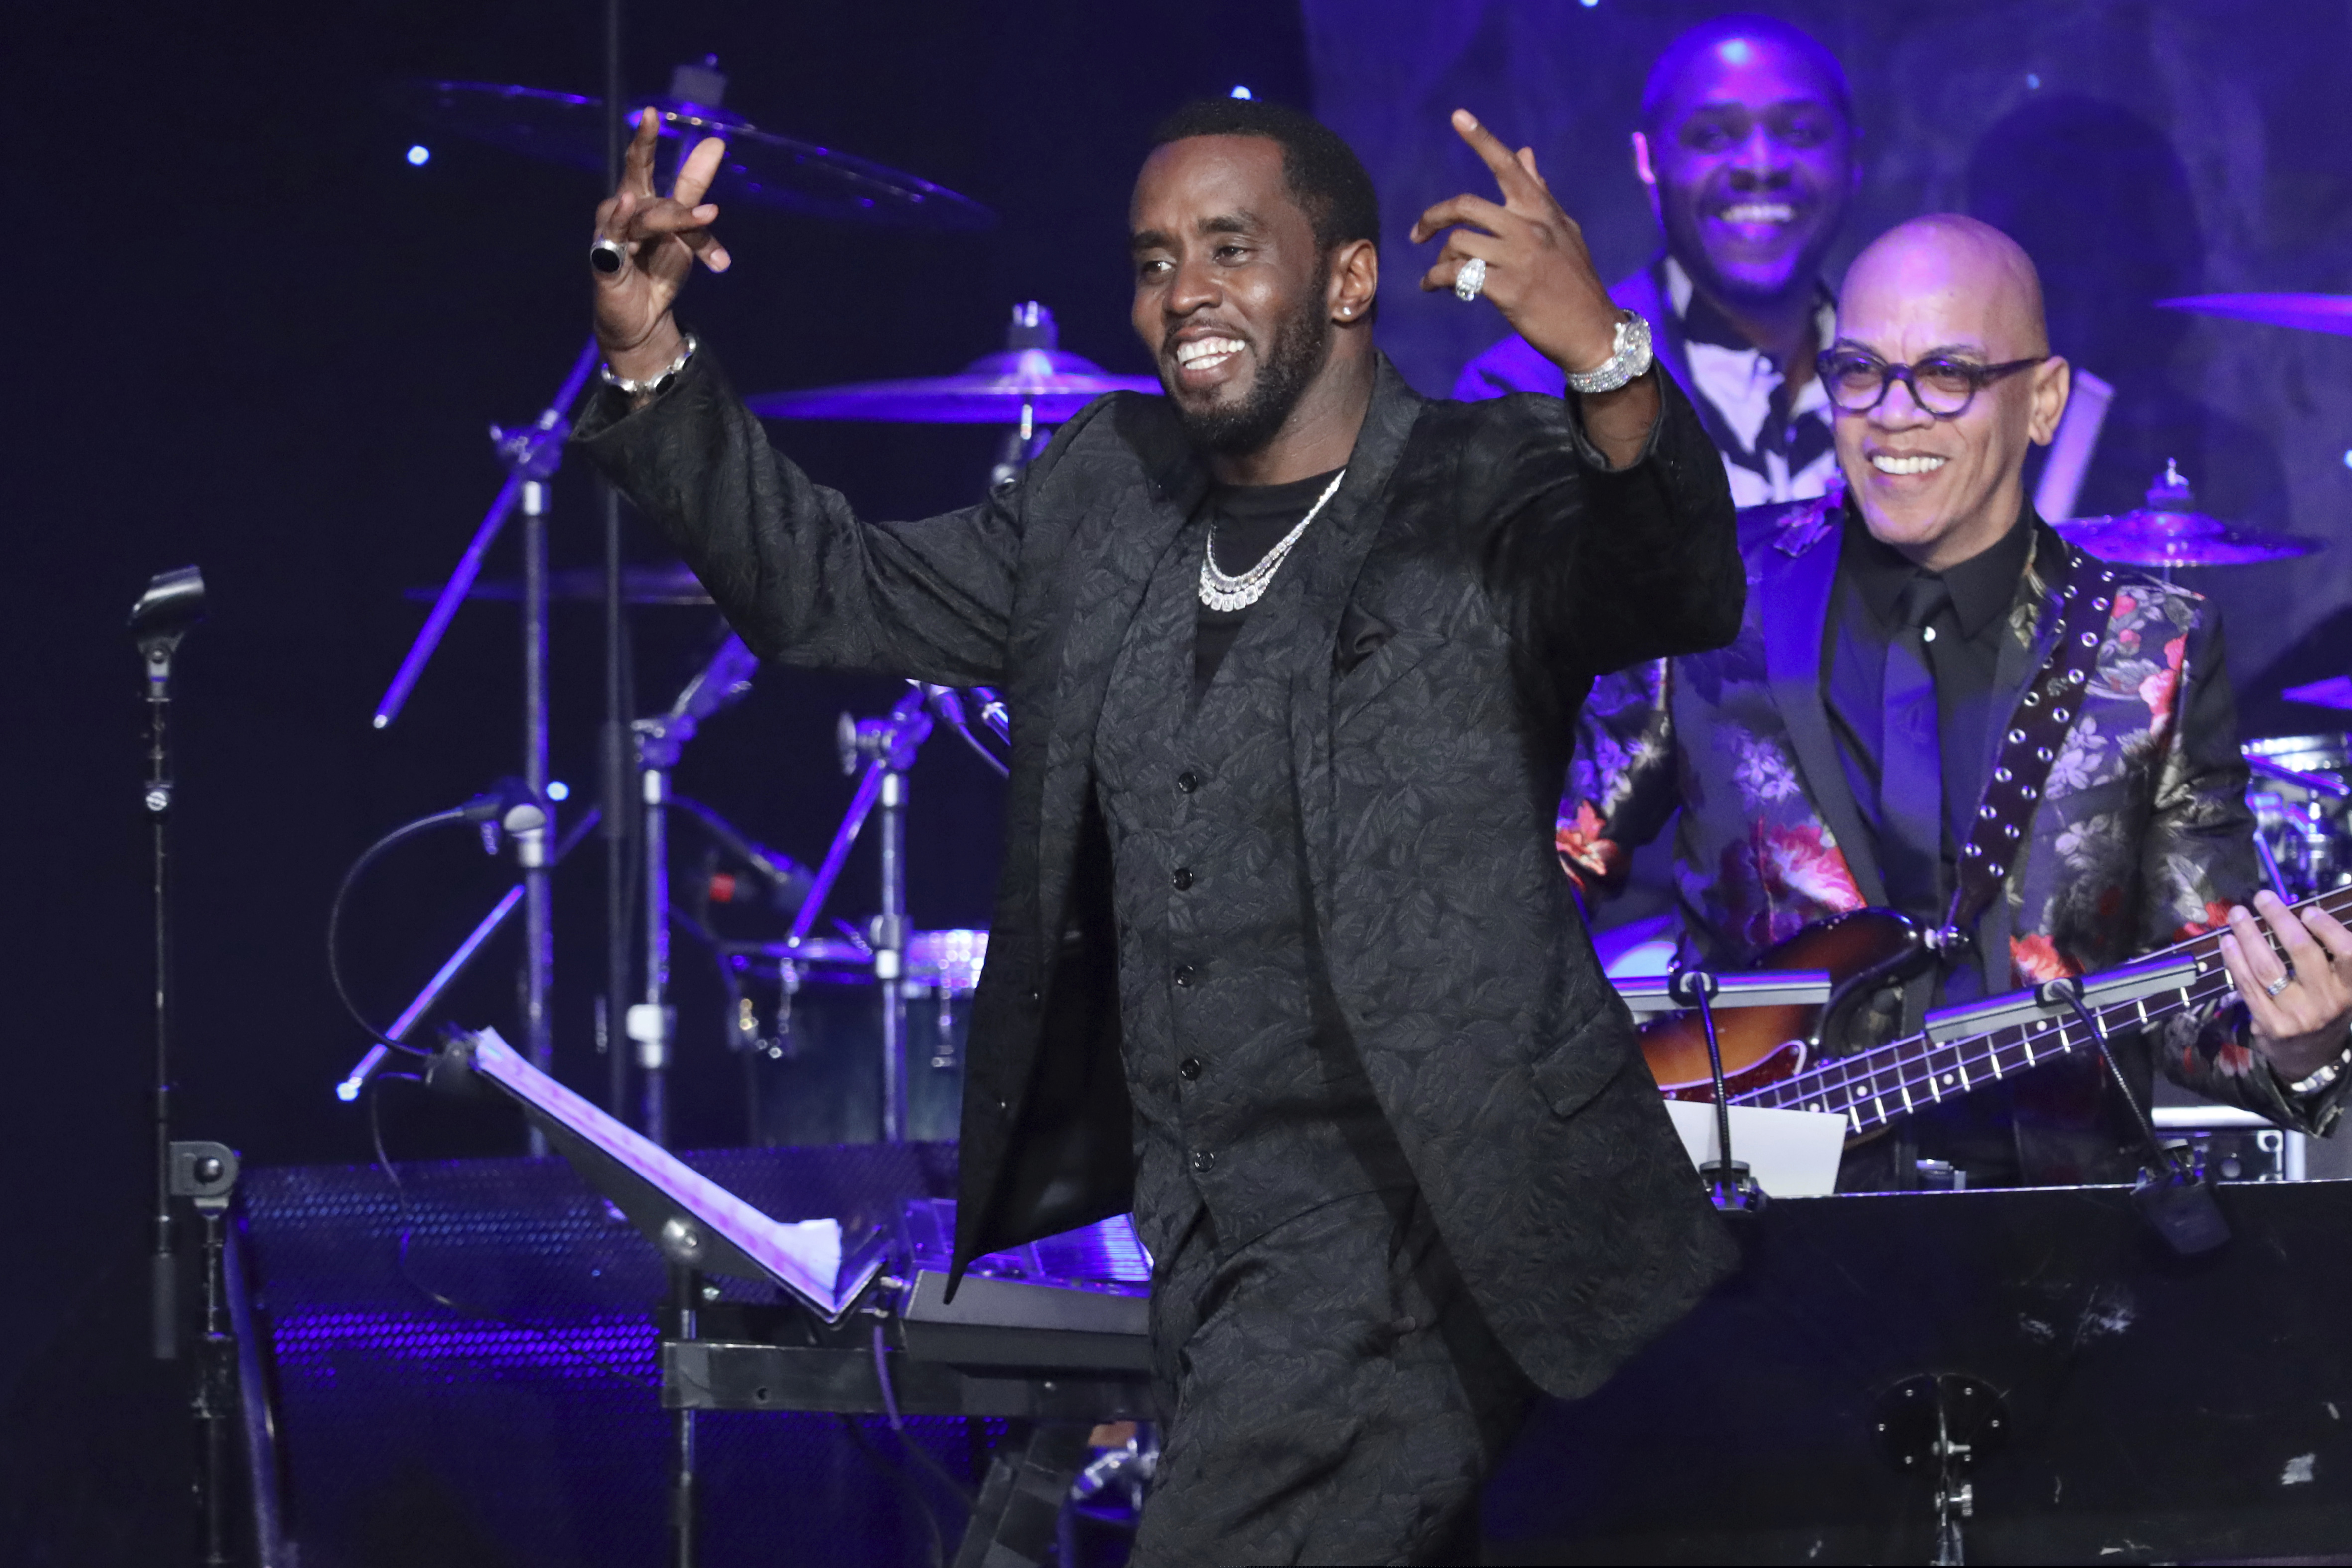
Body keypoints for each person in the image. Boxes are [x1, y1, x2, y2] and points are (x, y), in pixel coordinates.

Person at [576, 97, 1742, 1563]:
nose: (1182, 290)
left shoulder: (1482, 482)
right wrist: (649, 357)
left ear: (1348, 279)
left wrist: (1605, 358)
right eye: (1151, 259)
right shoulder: (1102, 495)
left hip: (1434, 1209)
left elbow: (1675, 584)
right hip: (1202, 1230)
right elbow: (832, 592)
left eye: (1229, 248)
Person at [1560, 213, 2352, 1191]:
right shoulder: (1711, 590)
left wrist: (2297, 1042)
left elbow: (2193, 993)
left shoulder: (2152, 644)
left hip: (2052, 1234)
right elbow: (1552, 863)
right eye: (1859, 370)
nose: (1893, 413)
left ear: (2042, 401)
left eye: (1946, 373)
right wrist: (1567, 1087)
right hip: (1753, 1226)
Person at [1455, 13, 1859, 508]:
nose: (1759, 165)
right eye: (1713, 137)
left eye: (1799, 132)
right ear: (1648, 160)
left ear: (1852, 158)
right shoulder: (1526, 389)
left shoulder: (1918, 377)